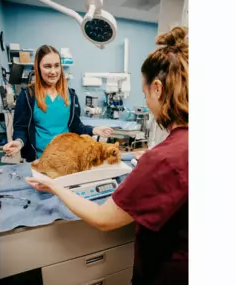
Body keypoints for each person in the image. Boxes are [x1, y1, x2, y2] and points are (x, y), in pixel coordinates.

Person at [26, 26, 188, 285]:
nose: (146, 101)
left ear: (157, 89)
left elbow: (104, 218)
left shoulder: (162, 159)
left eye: (145, 94)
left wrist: (54, 186)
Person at [3, 45, 113, 162]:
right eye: (47, 66)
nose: (53, 71)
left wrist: (94, 130)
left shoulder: (71, 95)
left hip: (69, 157)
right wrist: (19, 142)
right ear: (38, 67)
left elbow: (75, 126)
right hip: (40, 159)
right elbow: (21, 128)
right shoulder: (27, 95)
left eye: (57, 65)